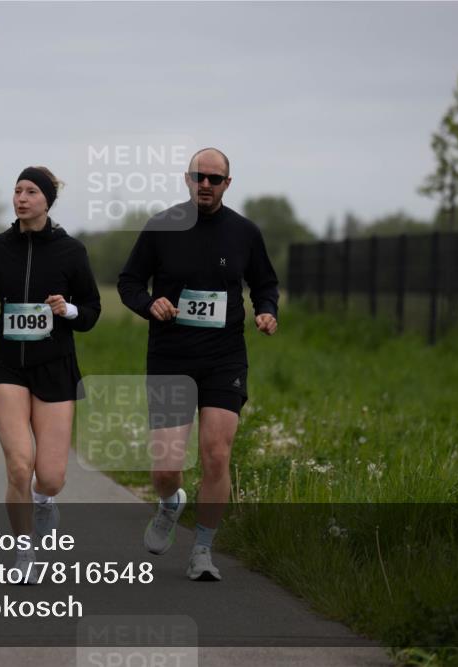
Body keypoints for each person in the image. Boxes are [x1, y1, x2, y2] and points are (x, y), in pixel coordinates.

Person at [117, 148, 279, 581]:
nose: (205, 184)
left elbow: (264, 283)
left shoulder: (244, 232)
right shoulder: (162, 227)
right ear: (187, 180)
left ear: (228, 184)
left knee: (216, 454)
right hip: (171, 356)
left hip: (224, 357)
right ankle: (170, 504)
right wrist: (150, 304)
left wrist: (267, 310)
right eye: (198, 177)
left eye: (214, 178)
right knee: (167, 467)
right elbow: (129, 281)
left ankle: (203, 550)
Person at [0, 166, 101, 582]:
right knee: (19, 465)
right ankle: (24, 551)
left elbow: (91, 312)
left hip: (55, 366)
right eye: (17, 190)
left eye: (31, 191)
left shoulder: (71, 251)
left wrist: (66, 310)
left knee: (50, 477)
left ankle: (43, 500)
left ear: (48, 201)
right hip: (6, 364)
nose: (20, 197)